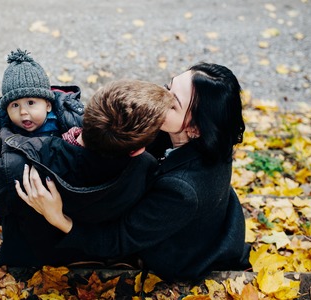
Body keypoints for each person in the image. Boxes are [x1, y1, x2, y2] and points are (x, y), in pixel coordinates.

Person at [17, 62, 251, 281]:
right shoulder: (210, 135)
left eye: (173, 103)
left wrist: (59, 218)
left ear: (195, 128)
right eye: (167, 87)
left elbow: (119, 239)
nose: (159, 99)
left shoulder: (183, 190)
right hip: (199, 220)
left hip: (176, 254)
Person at [0, 79, 175, 268]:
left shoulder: (20, 166)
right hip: (101, 251)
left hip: (35, 257)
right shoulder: (144, 167)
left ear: (88, 113)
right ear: (137, 150)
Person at [0, 48, 84, 168]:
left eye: (31, 103)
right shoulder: (4, 124)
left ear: (48, 105)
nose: (23, 112)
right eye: (15, 105)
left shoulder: (65, 118)